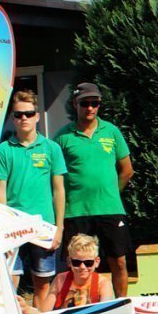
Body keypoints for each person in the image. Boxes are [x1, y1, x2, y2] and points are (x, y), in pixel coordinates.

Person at [53, 83, 134, 297]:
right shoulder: (62, 137)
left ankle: (121, 307)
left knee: (118, 260)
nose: (90, 108)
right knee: (77, 265)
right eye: (85, 103)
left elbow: (126, 170)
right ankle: (80, 311)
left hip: (110, 208)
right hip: (76, 211)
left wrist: (111, 193)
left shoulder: (112, 131)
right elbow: (55, 178)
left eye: (95, 103)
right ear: (75, 104)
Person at [0, 90, 66, 309]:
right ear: (13, 118)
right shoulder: (4, 150)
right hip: (12, 226)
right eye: (19, 114)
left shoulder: (51, 148)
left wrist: (59, 227)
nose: (24, 118)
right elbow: (0, 191)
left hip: (44, 225)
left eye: (29, 113)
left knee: (42, 283)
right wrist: (2, 226)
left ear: (37, 116)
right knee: (9, 281)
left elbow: (59, 190)